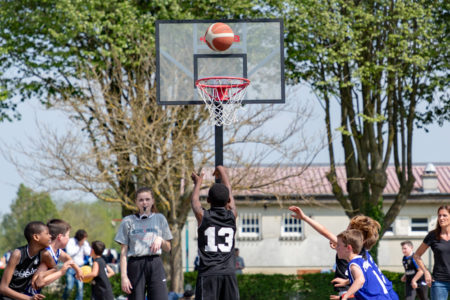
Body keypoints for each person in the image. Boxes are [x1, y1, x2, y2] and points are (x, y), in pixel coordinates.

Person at [289, 206, 399, 300]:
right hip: (388, 293)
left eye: (349, 229)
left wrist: (304, 218)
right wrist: (347, 281)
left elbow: (324, 231)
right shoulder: (364, 254)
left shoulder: (353, 258)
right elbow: (365, 276)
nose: (346, 231)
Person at [114, 187, 173, 300]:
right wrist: (123, 277)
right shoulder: (128, 221)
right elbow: (123, 252)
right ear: (136, 202)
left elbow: (168, 248)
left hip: (155, 263)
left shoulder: (160, 219)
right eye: (141, 200)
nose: (144, 202)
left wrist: (160, 239)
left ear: (152, 201)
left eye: (147, 199)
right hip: (135, 264)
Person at [191, 165, 239, 300]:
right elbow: (228, 190)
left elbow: (194, 202)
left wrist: (198, 183)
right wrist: (222, 171)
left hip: (208, 274)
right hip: (228, 275)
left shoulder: (203, 216)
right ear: (228, 200)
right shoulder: (232, 215)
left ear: (208, 200)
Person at [331, 229, 391, 300]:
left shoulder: (353, 265)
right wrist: (346, 282)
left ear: (348, 248)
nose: (336, 248)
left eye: (338, 245)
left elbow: (360, 280)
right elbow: (363, 278)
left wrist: (345, 296)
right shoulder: (361, 261)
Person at [0, 221, 51, 300]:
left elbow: (55, 268)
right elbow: (3, 288)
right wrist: (29, 298)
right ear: (36, 237)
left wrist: (41, 275)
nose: (50, 236)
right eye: (47, 233)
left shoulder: (43, 254)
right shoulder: (17, 254)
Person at [33, 219, 83, 290]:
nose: (69, 238)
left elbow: (67, 259)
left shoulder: (57, 251)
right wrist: (61, 272)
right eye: (68, 235)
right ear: (60, 237)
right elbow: (38, 282)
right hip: (27, 294)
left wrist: (78, 269)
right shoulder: (46, 253)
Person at [413, 205, 450, 300]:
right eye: (439, 215)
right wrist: (426, 272)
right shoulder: (433, 235)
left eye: (444, 215)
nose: (441, 218)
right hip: (439, 282)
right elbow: (417, 255)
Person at [63, 229, 91, 300]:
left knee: (80, 288)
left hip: (80, 267)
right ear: (80, 237)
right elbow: (69, 252)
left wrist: (83, 245)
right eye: (83, 239)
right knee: (69, 287)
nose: (84, 240)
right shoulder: (71, 241)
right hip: (71, 267)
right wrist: (79, 246)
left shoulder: (84, 243)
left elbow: (88, 253)